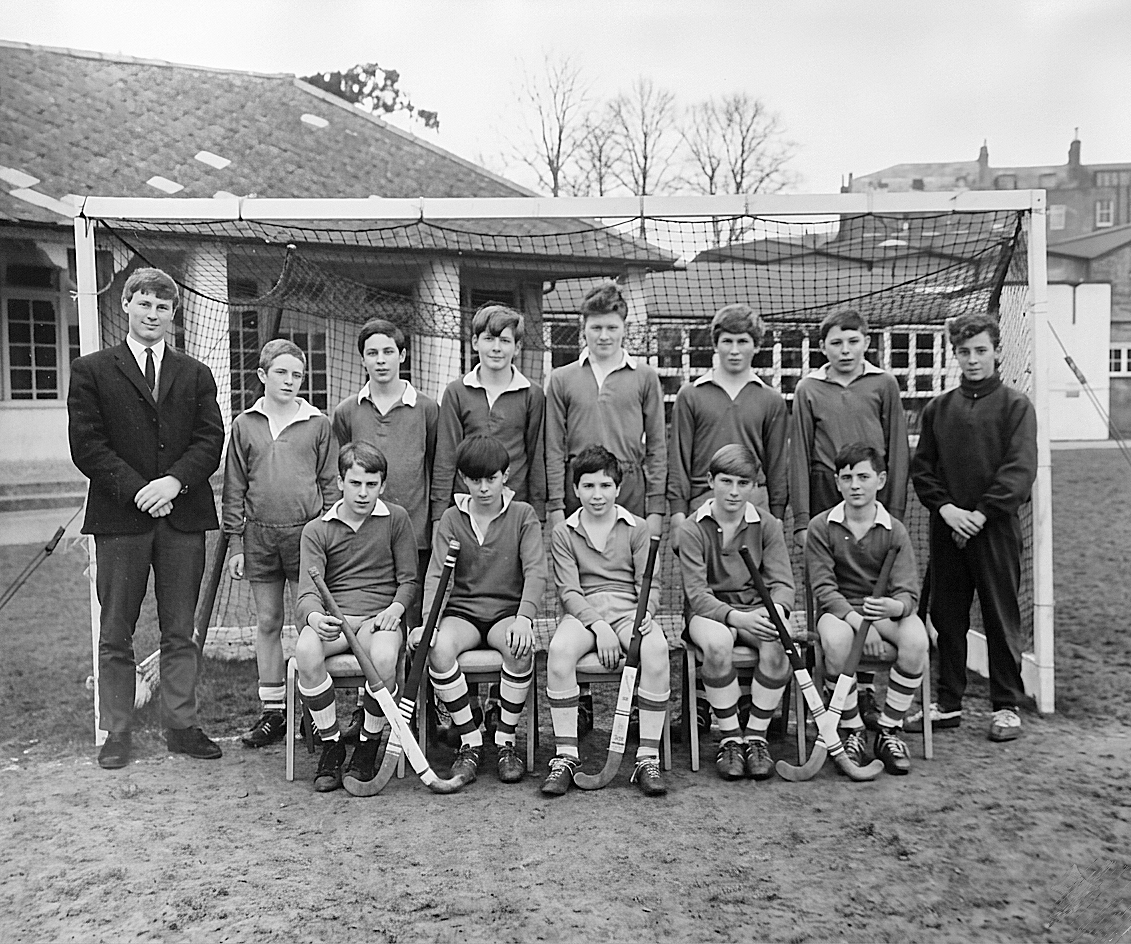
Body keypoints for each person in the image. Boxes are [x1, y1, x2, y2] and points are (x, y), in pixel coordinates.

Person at [68, 266, 225, 769]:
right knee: (116, 630)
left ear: (172, 314)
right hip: (121, 519)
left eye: (162, 306)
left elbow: (209, 440)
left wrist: (173, 483)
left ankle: (181, 725)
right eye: (144, 303)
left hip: (183, 516)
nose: (152, 313)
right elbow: (87, 445)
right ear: (127, 307)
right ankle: (117, 730)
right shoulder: (91, 370)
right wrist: (141, 491)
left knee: (181, 629)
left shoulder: (196, 373)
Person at [545, 281, 667, 733]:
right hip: (578, 495)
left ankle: (635, 697)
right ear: (584, 329)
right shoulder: (561, 378)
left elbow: (657, 444)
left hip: (629, 492)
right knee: (577, 583)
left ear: (624, 329)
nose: (604, 335)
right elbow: (553, 447)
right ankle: (579, 700)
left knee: (631, 587)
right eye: (596, 327)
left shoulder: (644, 377)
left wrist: (654, 505)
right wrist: (556, 504)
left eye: (612, 327)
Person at [909, 312, 1037, 742]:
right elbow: (923, 469)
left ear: (997, 352)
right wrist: (948, 511)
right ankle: (949, 703)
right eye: (964, 352)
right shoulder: (938, 408)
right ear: (955, 355)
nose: (973, 360)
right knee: (947, 616)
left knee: (1000, 616)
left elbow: (1019, 470)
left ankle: (1006, 706)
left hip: (995, 530)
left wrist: (980, 514)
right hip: (948, 529)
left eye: (981, 351)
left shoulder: (1016, 406)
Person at [790, 307, 909, 728]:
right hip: (827, 490)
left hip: (871, 497)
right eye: (836, 342)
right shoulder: (809, 388)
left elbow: (896, 450)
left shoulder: (884, 384)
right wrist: (803, 519)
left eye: (853, 341)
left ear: (866, 343)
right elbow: (799, 455)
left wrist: (892, 514)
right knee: (828, 592)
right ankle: (832, 689)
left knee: (873, 588)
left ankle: (863, 695)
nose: (845, 350)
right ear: (823, 347)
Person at [222, 339, 338, 749]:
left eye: (297, 375)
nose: (289, 381)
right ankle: (273, 711)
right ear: (262, 376)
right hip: (259, 535)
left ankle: (313, 707)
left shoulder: (317, 423)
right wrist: (236, 542)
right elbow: (234, 486)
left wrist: (328, 536)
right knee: (269, 621)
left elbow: (329, 484)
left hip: (307, 536)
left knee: (311, 622)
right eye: (281, 373)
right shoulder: (244, 424)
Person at [412, 435, 546, 785]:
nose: (483, 488)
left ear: (506, 475)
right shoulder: (452, 518)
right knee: (437, 649)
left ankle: (505, 741)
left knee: (520, 647)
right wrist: (429, 625)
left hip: (507, 613)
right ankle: (470, 741)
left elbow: (535, 570)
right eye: (475, 480)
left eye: (491, 478)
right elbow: (436, 577)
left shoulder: (523, 515)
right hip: (464, 613)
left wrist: (524, 617)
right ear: (463, 479)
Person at [542, 445, 669, 798]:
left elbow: (650, 584)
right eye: (588, 486)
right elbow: (569, 591)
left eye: (604, 486)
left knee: (657, 648)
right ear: (575, 489)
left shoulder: (637, 527)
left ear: (618, 487)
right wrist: (598, 627)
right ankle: (566, 756)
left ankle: (647, 758)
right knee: (559, 650)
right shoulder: (564, 532)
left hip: (631, 609)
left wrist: (646, 614)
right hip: (584, 613)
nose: (597, 495)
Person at [331, 318, 438, 735]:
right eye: (372, 353)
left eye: (388, 351)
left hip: (416, 531)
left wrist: (436, 521)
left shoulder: (427, 408)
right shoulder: (346, 411)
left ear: (403, 355)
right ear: (362, 359)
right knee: (376, 622)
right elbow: (343, 471)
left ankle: (419, 710)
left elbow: (439, 466)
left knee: (411, 624)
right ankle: (371, 708)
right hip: (366, 535)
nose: (381, 360)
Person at [293, 442, 418, 793]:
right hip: (338, 621)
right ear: (339, 482)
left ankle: (367, 745)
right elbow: (306, 592)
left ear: (383, 485)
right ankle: (332, 746)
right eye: (355, 483)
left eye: (371, 485)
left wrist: (395, 609)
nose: (363, 493)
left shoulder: (396, 519)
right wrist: (315, 618)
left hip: (379, 619)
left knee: (382, 658)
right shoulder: (317, 530)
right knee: (305, 649)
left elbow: (409, 579)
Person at [806, 443, 927, 775]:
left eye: (863, 476)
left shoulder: (894, 529)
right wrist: (860, 622)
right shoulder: (821, 527)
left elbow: (907, 591)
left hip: (881, 611)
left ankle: (889, 729)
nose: (855, 485)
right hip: (841, 611)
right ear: (837, 481)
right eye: (847, 478)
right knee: (835, 641)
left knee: (917, 639)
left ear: (881, 479)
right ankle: (852, 729)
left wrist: (895, 606)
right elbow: (824, 589)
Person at [678, 445, 793, 782]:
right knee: (716, 644)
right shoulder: (691, 527)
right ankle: (729, 736)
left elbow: (783, 583)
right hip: (710, 613)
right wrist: (736, 618)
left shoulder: (767, 524)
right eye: (725, 481)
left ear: (754, 486)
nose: (733, 491)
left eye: (743, 483)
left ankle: (756, 737)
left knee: (778, 639)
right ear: (710, 480)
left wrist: (777, 612)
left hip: (756, 609)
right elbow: (697, 595)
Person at [668, 303, 788, 531]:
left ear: (757, 346)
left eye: (742, 341)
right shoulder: (690, 395)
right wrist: (678, 512)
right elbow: (679, 459)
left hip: (754, 502)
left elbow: (778, 464)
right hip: (702, 500)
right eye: (727, 341)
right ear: (715, 345)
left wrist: (778, 513)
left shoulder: (771, 400)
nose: (734, 350)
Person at [431, 304, 546, 524]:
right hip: (466, 507)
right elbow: (445, 456)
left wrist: (538, 513)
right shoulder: (456, 392)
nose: (496, 348)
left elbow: (536, 455)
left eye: (505, 341)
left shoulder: (533, 394)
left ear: (518, 346)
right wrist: (439, 515)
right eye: (489, 339)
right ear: (475, 342)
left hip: (515, 508)